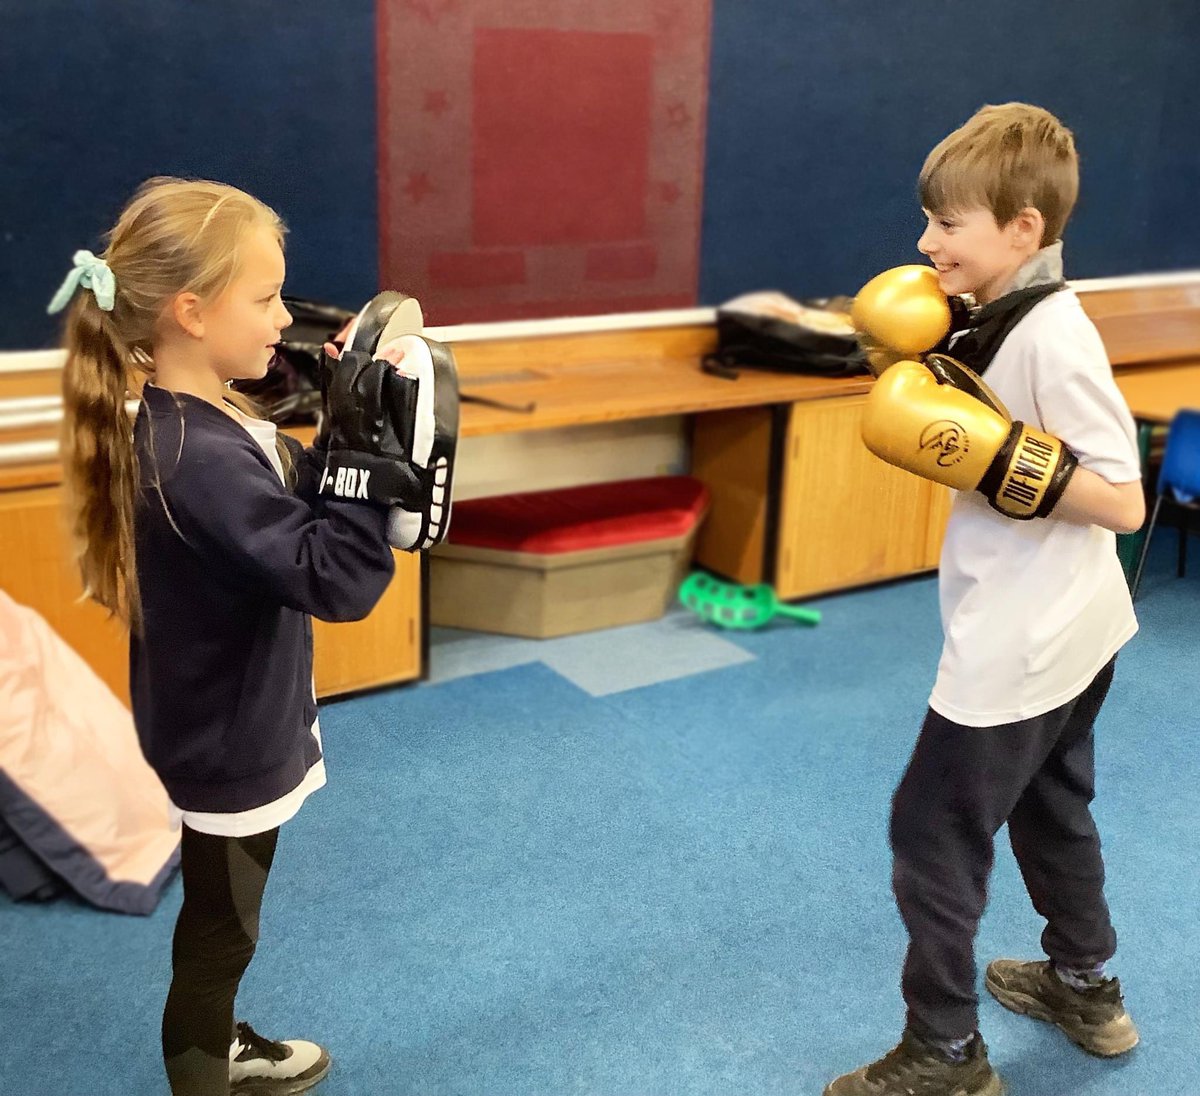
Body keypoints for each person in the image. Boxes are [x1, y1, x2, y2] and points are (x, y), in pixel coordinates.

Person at [53, 176, 407, 1095]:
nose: (282, 318)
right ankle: (206, 1071)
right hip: (228, 740)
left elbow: (289, 528)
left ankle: (215, 1050)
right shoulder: (195, 459)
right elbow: (331, 576)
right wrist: (369, 468)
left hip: (225, 715)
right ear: (192, 311)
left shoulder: (202, 423)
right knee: (222, 933)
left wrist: (341, 421)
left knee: (221, 920)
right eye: (265, 298)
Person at [826, 103, 1146, 1096]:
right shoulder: (995, 313)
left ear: (1023, 230)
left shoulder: (1055, 335)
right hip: (1075, 626)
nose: (926, 243)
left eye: (949, 223)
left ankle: (944, 1051)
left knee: (932, 827)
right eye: (927, 219)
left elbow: (1126, 499)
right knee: (1051, 806)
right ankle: (1085, 985)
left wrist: (1004, 456)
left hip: (1023, 638)